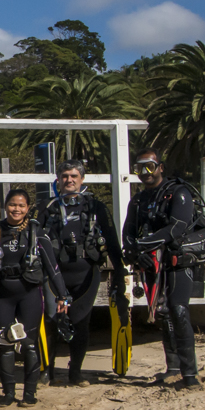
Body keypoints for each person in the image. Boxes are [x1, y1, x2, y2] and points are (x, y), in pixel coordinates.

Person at [0, 189, 72, 407]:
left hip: (29, 293)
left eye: (21, 205)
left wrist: (62, 295)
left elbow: (53, 268)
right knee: (5, 343)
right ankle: (8, 393)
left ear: (27, 208)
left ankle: (30, 392)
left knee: (29, 344)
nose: (16, 209)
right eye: (12, 204)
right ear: (5, 206)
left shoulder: (37, 233)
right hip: (3, 294)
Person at [122, 150, 205, 389]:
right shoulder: (138, 201)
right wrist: (137, 254)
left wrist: (144, 245)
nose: (145, 173)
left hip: (178, 262)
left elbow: (177, 226)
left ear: (160, 167)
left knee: (178, 310)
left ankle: (190, 374)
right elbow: (128, 232)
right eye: (139, 168)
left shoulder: (178, 193)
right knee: (163, 313)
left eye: (149, 167)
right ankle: (173, 367)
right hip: (151, 263)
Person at [40, 160, 125, 385]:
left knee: (80, 322)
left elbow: (112, 240)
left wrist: (120, 269)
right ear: (58, 180)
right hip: (54, 273)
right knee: (51, 320)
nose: (69, 180)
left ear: (82, 179)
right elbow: (32, 239)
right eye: (65, 176)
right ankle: (47, 371)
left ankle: (75, 371)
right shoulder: (46, 208)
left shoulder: (95, 207)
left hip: (86, 273)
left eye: (74, 176)